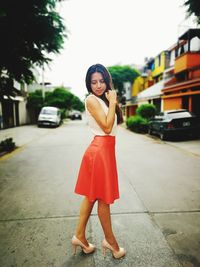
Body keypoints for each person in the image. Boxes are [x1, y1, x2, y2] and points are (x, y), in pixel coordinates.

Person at [71, 63, 125, 259]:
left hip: (104, 151)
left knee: (92, 196)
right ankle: (112, 244)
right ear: (88, 84)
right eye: (94, 82)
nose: (98, 85)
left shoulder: (103, 99)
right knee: (102, 199)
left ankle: (79, 236)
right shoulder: (92, 100)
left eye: (102, 81)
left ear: (107, 81)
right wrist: (112, 102)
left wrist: (111, 102)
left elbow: (113, 125)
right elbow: (107, 127)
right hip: (100, 151)